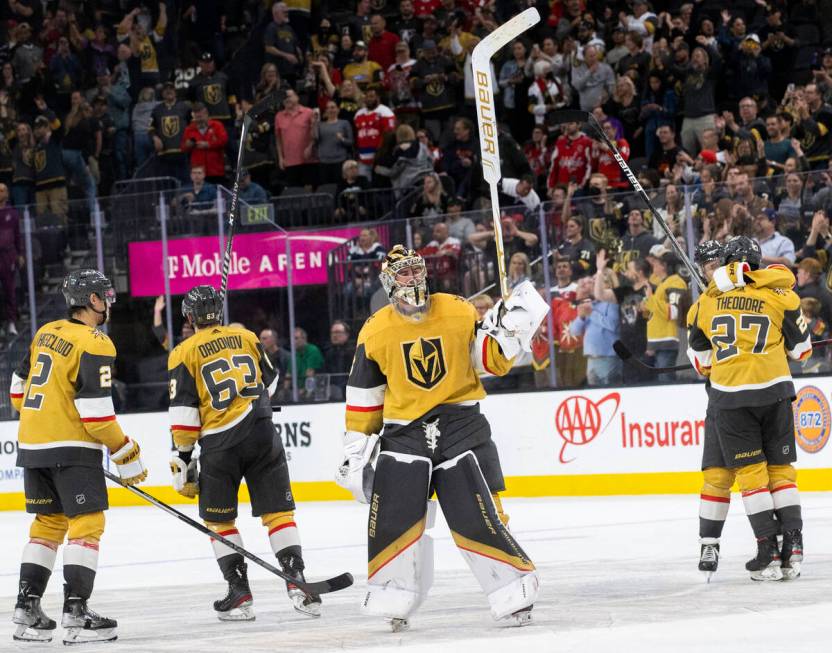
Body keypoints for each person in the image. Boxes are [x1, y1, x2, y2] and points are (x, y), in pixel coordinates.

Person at [338, 245, 544, 631]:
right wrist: (356, 446)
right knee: (394, 517)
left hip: (460, 423)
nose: (413, 279)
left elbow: (491, 362)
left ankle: (512, 589)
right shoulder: (375, 329)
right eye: (403, 274)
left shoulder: (458, 308)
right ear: (388, 281)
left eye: (417, 271)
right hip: (404, 432)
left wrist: (510, 329)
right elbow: (365, 394)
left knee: (480, 512)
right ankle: (392, 594)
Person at [167, 285, 321, 619]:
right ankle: (297, 581)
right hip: (262, 431)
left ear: (190, 317)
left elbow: (184, 412)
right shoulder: (247, 337)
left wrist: (182, 455)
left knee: (218, 519)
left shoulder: (183, 351)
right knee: (278, 513)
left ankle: (239, 592)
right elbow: (272, 380)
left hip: (220, 445)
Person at [10, 269, 147, 644]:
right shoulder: (97, 342)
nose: (109, 302)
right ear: (92, 301)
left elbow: (17, 389)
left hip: (33, 444)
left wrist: (46, 415)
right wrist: (125, 451)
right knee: (86, 527)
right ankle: (76, 613)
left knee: (47, 526)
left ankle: (27, 609)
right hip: (72, 448)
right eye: (105, 295)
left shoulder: (46, 332)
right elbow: (98, 415)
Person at [687, 237, 811, 581]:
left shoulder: (706, 302)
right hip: (776, 391)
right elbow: (802, 352)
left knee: (753, 475)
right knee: (782, 471)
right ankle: (794, 548)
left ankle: (768, 551)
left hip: (732, 396)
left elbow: (702, 363)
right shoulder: (782, 294)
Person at [644, 252, 687, 382]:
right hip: (658, 342)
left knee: (666, 381)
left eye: (656, 263)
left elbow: (674, 311)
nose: (653, 266)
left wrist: (651, 298)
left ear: (664, 266)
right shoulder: (663, 283)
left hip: (668, 341)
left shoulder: (676, 282)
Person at [182, 102, 228, 186]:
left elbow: (223, 140)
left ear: (206, 114)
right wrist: (188, 145)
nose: (199, 119)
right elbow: (183, 147)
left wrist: (208, 144)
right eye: (197, 117)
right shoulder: (189, 129)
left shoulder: (217, 125)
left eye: (201, 116)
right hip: (199, 172)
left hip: (216, 169)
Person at [0, 182, 23, 336]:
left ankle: (12, 322)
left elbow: (17, 235)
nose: (1, 193)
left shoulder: (12, 213)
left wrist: (20, 254)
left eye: (3, 190)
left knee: (10, 290)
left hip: (8, 256)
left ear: (7, 193)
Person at [322, 320, 355, 400]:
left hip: (351, 393)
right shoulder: (328, 353)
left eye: (338, 332)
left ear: (346, 335)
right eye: (332, 333)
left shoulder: (354, 352)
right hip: (333, 393)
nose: (334, 335)